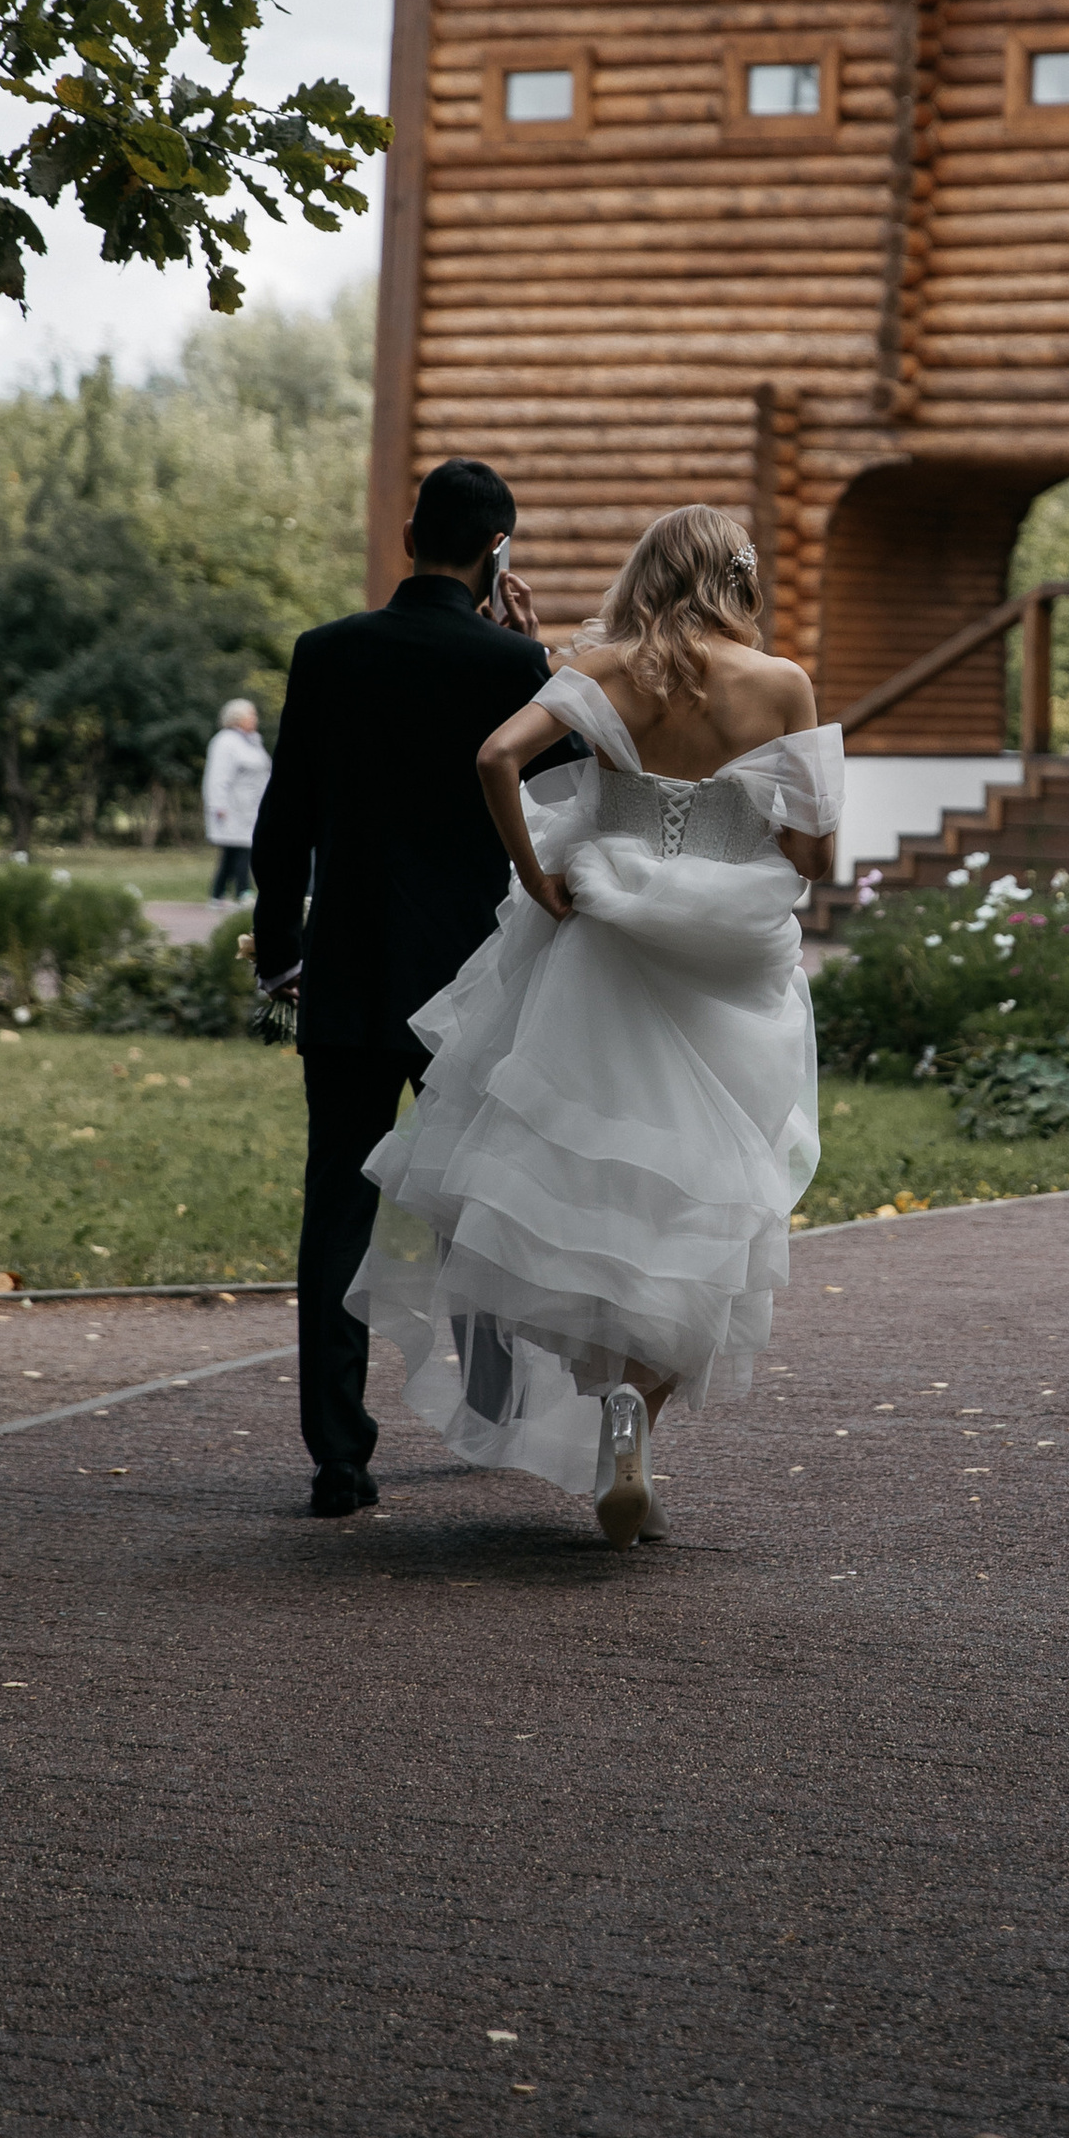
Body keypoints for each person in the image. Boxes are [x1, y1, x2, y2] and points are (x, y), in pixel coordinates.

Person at [352, 503, 841, 1548]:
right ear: (736, 579)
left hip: (602, 954)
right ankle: (636, 1413)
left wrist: (538, 876)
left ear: (649, 574)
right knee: (706, 1197)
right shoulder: (782, 684)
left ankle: (616, 1411)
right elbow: (814, 855)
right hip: (726, 973)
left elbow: (496, 757)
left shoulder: (606, 672)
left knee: (595, 1188)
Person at [249, 458, 558, 1519]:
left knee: (336, 1207)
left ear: (410, 539)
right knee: (478, 1196)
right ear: (497, 550)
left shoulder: (327, 651)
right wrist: (539, 662)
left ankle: (337, 1456)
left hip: (348, 969)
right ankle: (490, 1407)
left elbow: (284, 819)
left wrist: (279, 953)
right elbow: (565, 801)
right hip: (471, 983)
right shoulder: (512, 665)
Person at [201, 698, 271, 903]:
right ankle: (242, 891)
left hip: (250, 807)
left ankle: (218, 893)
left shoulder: (252, 741)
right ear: (237, 718)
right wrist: (218, 805)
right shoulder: (225, 742)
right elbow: (217, 777)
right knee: (240, 849)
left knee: (233, 850)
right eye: (251, 714)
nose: (255, 718)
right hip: (232, 806)